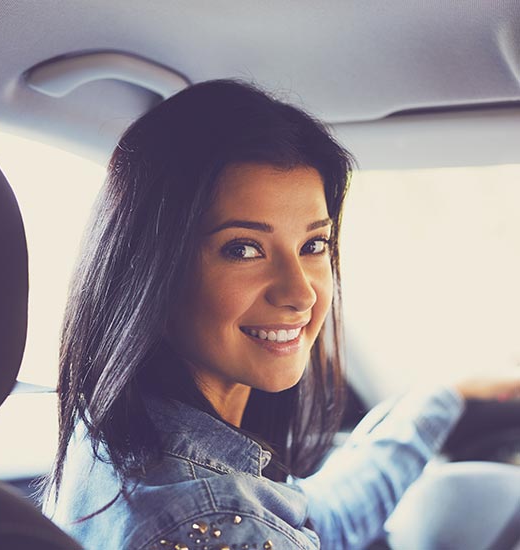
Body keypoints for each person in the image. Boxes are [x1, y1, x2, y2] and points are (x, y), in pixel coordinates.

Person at [42, 79, 520, 549]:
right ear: (148, 270)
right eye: (244, 249)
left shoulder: (118, 434)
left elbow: (320, 521)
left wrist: (442, 398)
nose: (301, 294)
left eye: (314, 244)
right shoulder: (212, 523)